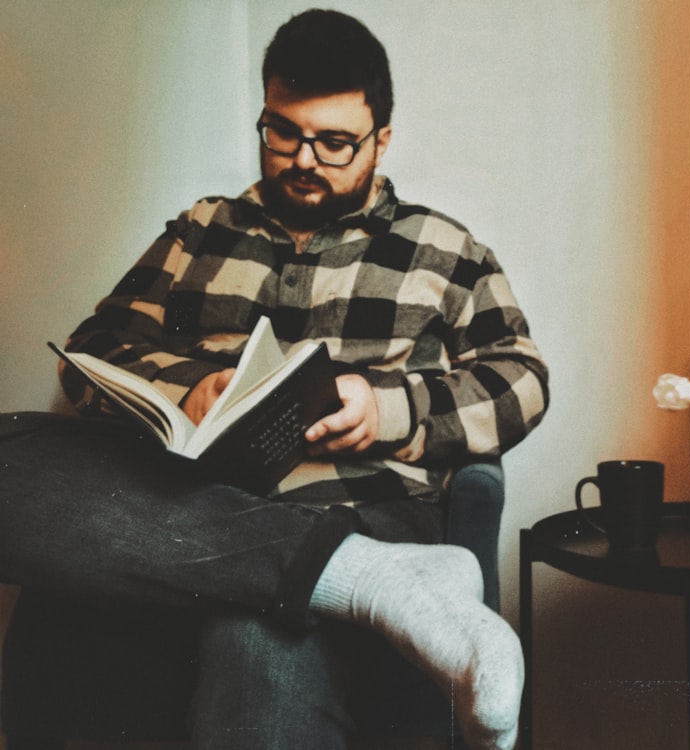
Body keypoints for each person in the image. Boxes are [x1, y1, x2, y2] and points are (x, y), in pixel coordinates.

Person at [0, 9, 548, 750]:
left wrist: (391, 409)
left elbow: (521, 378)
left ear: (381, 139)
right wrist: (189, 386)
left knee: (255, 639)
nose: (303, 159)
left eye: (334, 142)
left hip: (359, 502)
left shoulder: (443, 247)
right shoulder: (202, 228)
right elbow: (98, 346)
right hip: (188, 505)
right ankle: (373, 583)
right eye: (283, 132)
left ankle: (351, 566)